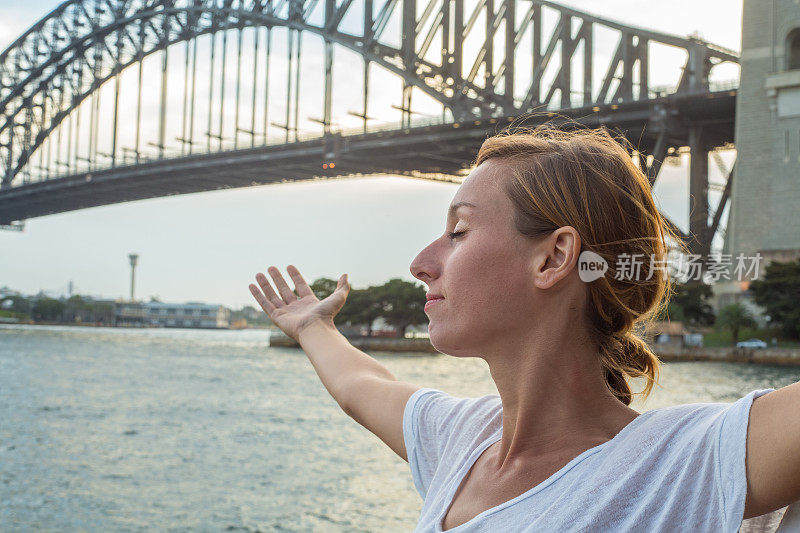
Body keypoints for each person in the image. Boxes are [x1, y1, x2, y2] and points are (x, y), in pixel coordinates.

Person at [248, 123, 800, 532]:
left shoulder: (677, 464)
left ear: (554, 258)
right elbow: (363, 388)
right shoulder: (462, 444)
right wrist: (313, 326)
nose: (420, 262)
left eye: (458, 232)